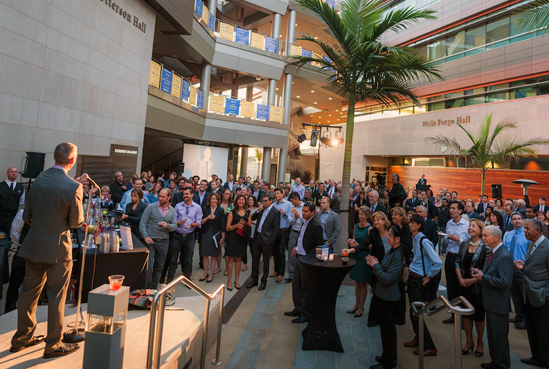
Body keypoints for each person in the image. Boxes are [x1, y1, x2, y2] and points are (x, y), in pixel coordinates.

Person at [10, 142, 83, 358]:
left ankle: (21, 338)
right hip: (58, 249)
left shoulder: (38, 179)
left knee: (28, 292)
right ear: (72, 161)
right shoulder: (73, 186)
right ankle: (53, 344)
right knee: (56, 297)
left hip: (34, 245)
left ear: (54, 158)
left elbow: (26, 216)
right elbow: (76, 221)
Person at [472, 225, 513, 369]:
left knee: (499, 338)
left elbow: (505, 282)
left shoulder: (504, 256)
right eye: (482, 235)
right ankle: (495, 362)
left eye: (485, 236)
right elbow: (493, 273)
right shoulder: (494, 252)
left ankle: (501, 365)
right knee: (493, 337)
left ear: (496, 238)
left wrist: (483, 277)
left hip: (498, 304)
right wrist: (481, 273)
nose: (483, 238)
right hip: (491, 302)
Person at [344, 211, 391, 327]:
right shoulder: (373, 233)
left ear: (384, 221)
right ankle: (363, 309)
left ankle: (370, 311)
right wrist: (351, 250)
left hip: (386, 264)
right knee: (368, 287)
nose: (376, 222)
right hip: (374, 263)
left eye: (378, 220)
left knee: (377, 288)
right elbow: (364, 244)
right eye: (374, 220)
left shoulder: (391, 232)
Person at [404, 214, 442, 357]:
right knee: (413, 312)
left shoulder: (423, 241)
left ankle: (430, 346)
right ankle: (418, 338)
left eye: (412, 223)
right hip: (413, 278)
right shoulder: (415, 238)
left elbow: (437, 262)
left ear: (419, 225)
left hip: (419, 280)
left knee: (417, 314)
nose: (410, 224)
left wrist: (428, 277)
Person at [367, 225, 403, 369]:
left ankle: (389, 361)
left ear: (397, 239)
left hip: (388, 297)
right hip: (382, 295)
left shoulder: (398, 255)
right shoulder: (392, 250)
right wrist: (376, 263)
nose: (387, 237)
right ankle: (385, 356)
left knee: (388, 331)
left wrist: (375, 265)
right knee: (384, 329)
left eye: (389, 235)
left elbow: (388, 278)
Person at [284, 202, 324, 323]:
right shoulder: (304, 222)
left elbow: (319, 245)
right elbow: (302, 237)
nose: (303, 213)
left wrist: (311, 259)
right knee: (296, 285)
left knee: (305, 288)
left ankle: (305, 314)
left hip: (306, 260)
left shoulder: (316, 225)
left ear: (313, 212)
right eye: (303, 211)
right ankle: (298, 308)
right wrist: (296, 247)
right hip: (299, 256)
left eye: (306, 211)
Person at [455, 219, 489, 357]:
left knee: (479, 317)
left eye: (473, 226)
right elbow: (457, 261)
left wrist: (472, 280)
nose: (470, 228)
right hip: (464, 285)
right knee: (466, 315)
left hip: (478, 286)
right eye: (469, 226)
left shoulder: (485, 246)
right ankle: (469, 342)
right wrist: (460, 279)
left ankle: (480, 342)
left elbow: (487, 268)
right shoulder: (464, 243)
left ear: (481, 230)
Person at [518, 219, 549, 368]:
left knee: (544, 332)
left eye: (527, 228)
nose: (524, 231)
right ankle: (536, 357)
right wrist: (524, 267)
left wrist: (546, 294)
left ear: (537, 230)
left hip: (541, 297)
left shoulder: (547, 247)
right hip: (529, 295)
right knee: (532, 329)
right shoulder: (531, 244)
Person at [139, 188, 177, 289]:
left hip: (164, 242)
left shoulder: (172, 211)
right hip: (150, 241)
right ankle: (146, 290)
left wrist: (167, 226)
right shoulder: (151, 207)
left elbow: (175, 226)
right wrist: (145, 236)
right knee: (149, 268)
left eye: (163, 196)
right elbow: (142, 223)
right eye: (159, 196)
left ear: (169, 197)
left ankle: (154, 290)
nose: (160, 198)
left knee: (159, 268)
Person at [440, 200, 469, 324]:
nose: (451, 210)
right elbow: (447, 242)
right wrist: (444, 237)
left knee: (460, 286)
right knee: (451, 286)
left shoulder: (466, 225)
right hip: (450, 256)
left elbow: (469, 243)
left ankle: (463, 317)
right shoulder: (449, 223)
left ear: (460, 211)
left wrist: (458, 240)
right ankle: (453, 314)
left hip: (461, 257)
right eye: (450, 208)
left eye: (454, 208)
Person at [246, 192, 280, 291]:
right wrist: (257, 211)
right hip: (257, 237)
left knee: (265, 262)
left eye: (265, 201)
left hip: (267, 240)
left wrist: (270, 241)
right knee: (255, 260)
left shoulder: (275, 212)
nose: (263, 203)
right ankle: (254, 279)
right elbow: (251, 218)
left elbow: (276, 229)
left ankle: (263, 281)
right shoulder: (261, 210)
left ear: (270, 201)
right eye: (263, 201)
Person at [168, 188, 202, 282]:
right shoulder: (178, 206)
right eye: (184, 194)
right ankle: (169, 280)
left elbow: (198, 223)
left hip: (190, 236)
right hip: (177, 235)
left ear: (192, 195)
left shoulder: (197, 207)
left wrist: (191, 224)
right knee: (173, 259)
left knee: (188, 259)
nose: (185, 196)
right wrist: (179, 223)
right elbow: (173, 220)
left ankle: (187, 280)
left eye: (187, 194)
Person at [503, 212, 529, 329]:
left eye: (519, 219)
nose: (517, 221)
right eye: (515, 219)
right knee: (515, 295)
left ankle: (525, 319)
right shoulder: (508, 235)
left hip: (522, 268)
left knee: (524, 295)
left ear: (523, 220)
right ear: (511, 221)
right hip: (509, 268)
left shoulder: (527, 234)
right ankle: (518, 315)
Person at [346, 206, 373, 318]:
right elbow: (354, 239)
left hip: (364, 256)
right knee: (357, 282)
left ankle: (361, 306)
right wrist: (351, 242)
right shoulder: (356, 226)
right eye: (359, 214)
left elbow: (371, 245)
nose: (360, 216)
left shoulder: (370, 229)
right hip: (356, 255)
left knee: (363, 283)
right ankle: (356, 304)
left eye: (362, 214)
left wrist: (360, 246)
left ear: (367, 216)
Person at [390, 206, 412, 324]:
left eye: (396, 215)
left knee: (400, 289)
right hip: (394, 261)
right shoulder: (392, 227)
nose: (393, 216)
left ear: (402, 217)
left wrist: (396, 246)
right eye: (392, 214)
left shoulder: (406, 229)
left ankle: (400, 317)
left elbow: (407, 246)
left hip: (401, 263)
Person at [5, 209, 29, 313]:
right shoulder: (23, 212)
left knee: (32, 287)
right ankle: (10, 310)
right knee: (14, 283)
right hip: (23, 254)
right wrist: (22, 244)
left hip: (36, 255)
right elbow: (14, 232)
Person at [225, 194, 251, 291]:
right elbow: (227, 228)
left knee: (239, 260)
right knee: (231, 259)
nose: (241, 201)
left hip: (242, 239)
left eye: (243, 200)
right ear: (236, 201)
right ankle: (229, 281)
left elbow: (249, 226)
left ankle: (236, 280)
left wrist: (246, 224)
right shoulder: (232, 212)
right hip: (232, 238)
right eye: (239, 200)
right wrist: (236, 226)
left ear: (245, 201)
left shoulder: (248, 212)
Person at [199, 193, 225, 283]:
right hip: (205, 233)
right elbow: (200, 222)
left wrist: (223, 237)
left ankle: (211, 274)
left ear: (218, 200)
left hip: (215, 234)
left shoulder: (220, 210)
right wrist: (207, 217)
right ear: (209, 200)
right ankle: (205, 273)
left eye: (216, 199)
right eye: (212, 199)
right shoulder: (204, 209)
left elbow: (222, 225)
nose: (214, 201)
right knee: (205, 254)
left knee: (214, 255)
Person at [272, 188, 292, 282]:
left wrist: (284, 214)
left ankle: (281, 273)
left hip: (284, 230)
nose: (276, 195)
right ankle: (276, 270)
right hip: (275, 230)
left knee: (281, 251)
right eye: (275, 194)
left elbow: (291, 217)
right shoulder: (274, 204)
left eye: (278, 193)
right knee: (274, 251)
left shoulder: (288, 204)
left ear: (282, 194)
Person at [0, 166, 25, 239]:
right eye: (11, 172)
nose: (14, 174)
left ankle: (6, 250)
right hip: (0, 215)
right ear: (7, 174)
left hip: (12, 216)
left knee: (8, 235)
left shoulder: (20, 187)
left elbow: (21, 202)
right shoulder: (1, 185)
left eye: (15, 172)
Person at [286, 192, 304, 283]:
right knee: (291, 253)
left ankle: (301, 274)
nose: (292, 203)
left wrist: (299, 216)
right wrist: (295, 218)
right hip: (294, 231)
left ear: (297, 199)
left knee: (301, 253)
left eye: (293, 201)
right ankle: (291, 275)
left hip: (302, 233)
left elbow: (306, 220)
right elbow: (289, 221)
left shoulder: (305, 206)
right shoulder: (291, 207)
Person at [242, 195, 258, 272]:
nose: (250, 201)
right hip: (245, 231)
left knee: (253, 249)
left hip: (253, 232)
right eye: (249, 200)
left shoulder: (257, 210)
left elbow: (257, 222)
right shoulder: (245, 209)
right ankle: (245, 264)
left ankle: (254, 265)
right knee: (244, 249)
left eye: (252, 200)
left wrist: (249, 221)